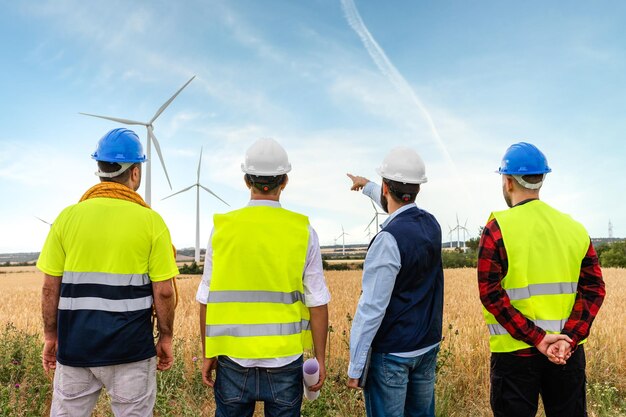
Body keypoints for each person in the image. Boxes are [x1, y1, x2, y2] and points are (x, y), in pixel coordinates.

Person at [37, 128, 178, 417]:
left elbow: (50, 288)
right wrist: (166, 337)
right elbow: (164, 291)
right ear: (135, 172)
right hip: (131, 352)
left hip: (75, 349)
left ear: (100, 169)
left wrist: (51, 335)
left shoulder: (67, 217)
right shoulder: (152, 222)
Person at [197, 138, 330, 417]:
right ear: (285, 181)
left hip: (233, 360)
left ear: (247, 180)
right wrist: (321, 357)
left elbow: (206, 298)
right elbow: (317, 302)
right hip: (285, 361)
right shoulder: (303, 231)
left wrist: (209, 352)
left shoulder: (221, 230)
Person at [478, 142, 605, 417]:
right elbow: (594, 289)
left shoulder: (497, 228)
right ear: (541, 180)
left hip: (515, 357)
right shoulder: (574, 228)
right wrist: (569, 337)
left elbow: (490, 293)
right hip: (566, 355)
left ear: (508, 181)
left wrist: (536, 338)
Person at [346, 147, 444, 417]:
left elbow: (371, 308)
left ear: (387, 187)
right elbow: (401, 209)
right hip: (426, 347)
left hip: (392, 355)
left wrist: (356, 366)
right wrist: (367, 187)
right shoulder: (431, 225)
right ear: (417, 190)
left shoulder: (387, 240)